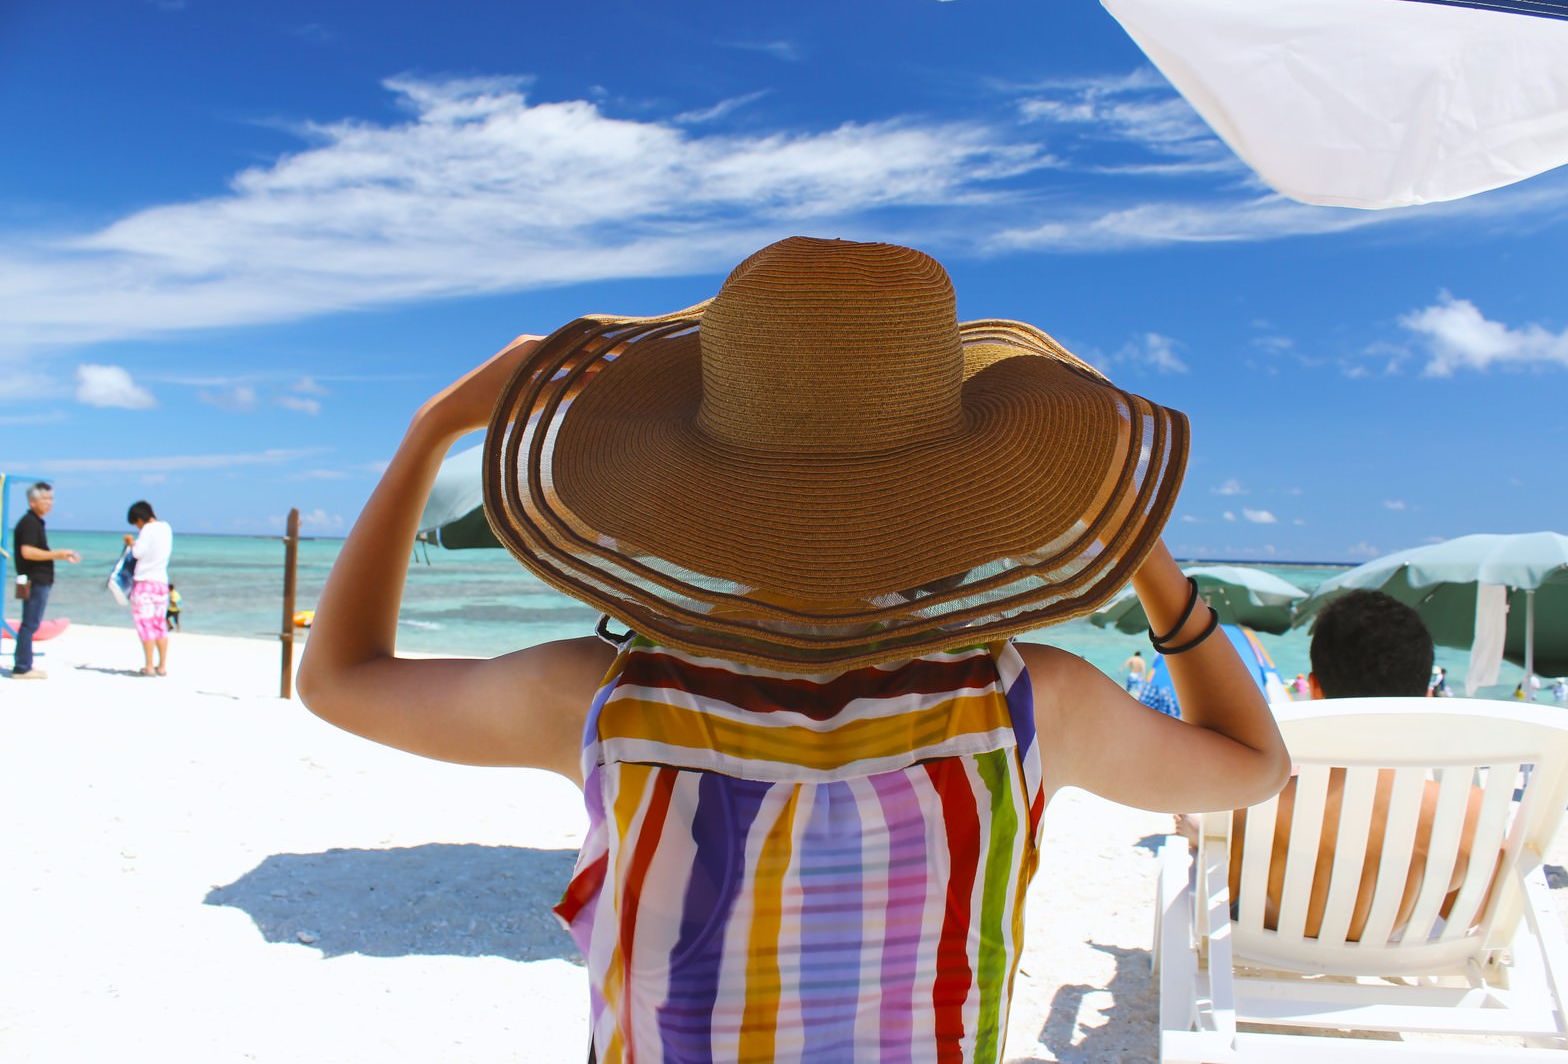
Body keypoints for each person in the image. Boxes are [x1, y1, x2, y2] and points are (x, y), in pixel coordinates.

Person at [297, 237, 1288, 1061]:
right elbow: (1254, 765)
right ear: (957, 503)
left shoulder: (600, 700)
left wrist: (432, 431)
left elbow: (338, 679)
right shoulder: (1027, 706)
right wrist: (1133, 543)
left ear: (686, 499)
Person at [1181, 589, 1482, 941]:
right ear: (1427, 698)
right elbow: (1475, 911)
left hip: (1272, 940)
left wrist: (1202, 833)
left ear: (1315, 689)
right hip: (1397, 939)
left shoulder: (1257, 805)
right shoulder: (1469, 814)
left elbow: (1230, 884)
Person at [10, 481, 81, 679]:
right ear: (32, 502)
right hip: (34, 580)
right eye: (45, 499)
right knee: (30, 624)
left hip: (35, 580)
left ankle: (24, 664)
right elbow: (27, 551)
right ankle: (23, 667)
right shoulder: (29, 522)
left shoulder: (34, 522)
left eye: (51, 499)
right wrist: (58, 554)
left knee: (30, 623)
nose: (49, 503)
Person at [123, 500, 172, 676]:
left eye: (135, 522)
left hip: (145, 583)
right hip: (161, 583)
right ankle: (162, 665)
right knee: (160, 624)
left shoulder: (147, 530)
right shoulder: (166, 528)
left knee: (145, 624)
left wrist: (130, 542)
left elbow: (138, 553)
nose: (137, 526)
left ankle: (149, 666)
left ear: (139, 518)